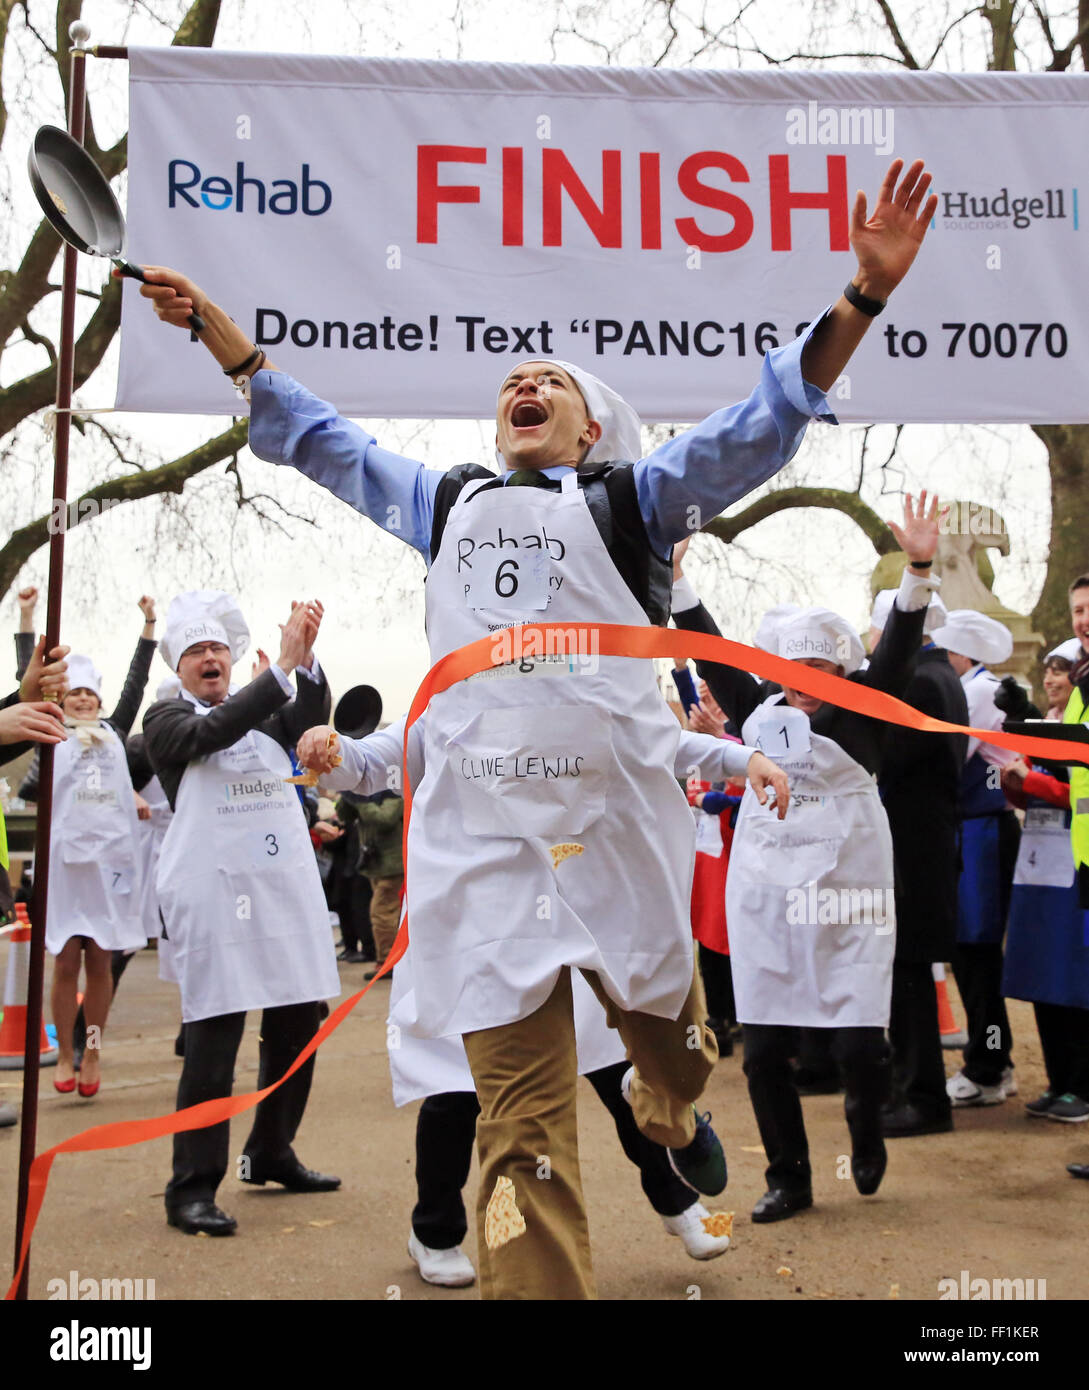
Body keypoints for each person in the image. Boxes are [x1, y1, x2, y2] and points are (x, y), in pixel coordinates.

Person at [134, 157, 938, 1298]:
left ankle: (671, 1093)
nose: (526, 381)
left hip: (619, 843)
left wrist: (859, 297)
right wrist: (226, 337)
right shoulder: (444, 501)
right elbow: (323, 438)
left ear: (588, 426)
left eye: (550, 378)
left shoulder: (635, 504)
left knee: (675, 1051)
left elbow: (753, 429)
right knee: (521, 1139)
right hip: (488, 863)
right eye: (514, 375)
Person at [313, 714, 747, 1284]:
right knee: (460, 1096)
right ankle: (434, 1233)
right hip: (480, 929)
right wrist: (332, 751)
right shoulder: (448, 702)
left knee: (619, 1068)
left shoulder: (574, 688)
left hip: (573, 915)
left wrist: (745, 759)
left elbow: (656, 740)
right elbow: (369, 763)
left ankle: (677, 1202)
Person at [673, 495, 941, 1221]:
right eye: (791, 669)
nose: (801, 683)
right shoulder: (756, 707)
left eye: (817, 668)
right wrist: (677, 585)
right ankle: (788, 1178)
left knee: (858, 1046)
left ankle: (864, 1125)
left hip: (848, 898)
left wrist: (916, 568)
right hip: (768, 900)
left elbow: (896, 649)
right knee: (762, 1055)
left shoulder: (866, 704)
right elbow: (710, 647)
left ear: (840, 670)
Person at [142, 591, 340, 1237]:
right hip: (212, 899)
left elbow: (308, 715)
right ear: (179, 665)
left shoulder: (269, 712)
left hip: (281, 890)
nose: (210, 659)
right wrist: (276, 671)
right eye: (196, 651)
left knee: (297, 1025)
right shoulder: (165, 718)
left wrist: (304, 662)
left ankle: (272, 1152)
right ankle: (191, 1187)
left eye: (217, 650)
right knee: (214, 1041)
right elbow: (210, 733)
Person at [19, 598, 158, 1098]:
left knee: (100, 962)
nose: (81, 701)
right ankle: (63, 1053)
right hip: (65, 867)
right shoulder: (48, 732)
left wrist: (148, 626)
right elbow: (25, 680)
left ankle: (91, 1048)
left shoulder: (114, 733)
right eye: (73, 693)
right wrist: (28, 623)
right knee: (63, 962)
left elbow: (135, 684)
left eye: (88, 695)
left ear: (98, 701)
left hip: (111, 868)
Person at [865, 590, 970, 1139]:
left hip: (915, 850)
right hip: (924, 846)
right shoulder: (940, 675)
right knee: (906, 973)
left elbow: (888, 756)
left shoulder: (924, 683)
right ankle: (911, 1088)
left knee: (908, 974)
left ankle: (924, 1097)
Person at [930, 609, 1020, 1108]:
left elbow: (952, 757)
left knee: (977, 951)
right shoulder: (973, 689)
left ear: (961, 652)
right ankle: (994, 1059)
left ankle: (988, 1063)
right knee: (970, 951)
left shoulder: (979, 693)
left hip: (982, 831)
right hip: (971, 831)